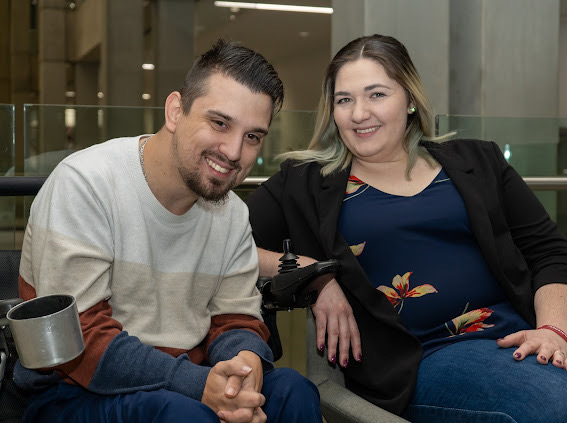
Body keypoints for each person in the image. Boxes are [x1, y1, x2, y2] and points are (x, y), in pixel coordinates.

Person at [246, 34, 567, 422]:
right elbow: (228, 245)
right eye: (344, 99)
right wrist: (317, 276)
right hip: (424, 359)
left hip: (522, 337)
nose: (359, 113)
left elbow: (549, 253)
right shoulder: (304, 183)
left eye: (377, 94)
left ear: (411, 99)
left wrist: (552, 330)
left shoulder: (478, 161)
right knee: (550, 405)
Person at [14, 39, 322, 423]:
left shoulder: (231, 214)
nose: (233, 151)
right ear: (176, 111)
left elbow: (235, 318)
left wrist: (243, 365)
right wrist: (199, 385)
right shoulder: (86, 185)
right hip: (70, 391)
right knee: (182, 414)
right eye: (220, 123)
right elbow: (83, 340)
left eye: (253, 137)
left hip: (187, 378)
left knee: (294, 391)